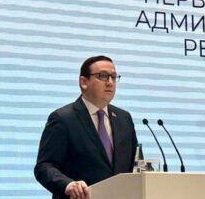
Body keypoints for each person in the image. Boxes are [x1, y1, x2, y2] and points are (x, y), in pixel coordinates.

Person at [35, 56, 138, 199]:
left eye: (114, 77)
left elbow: (132, 166)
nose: (110, 82)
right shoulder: (63, 119)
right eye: (103, 76)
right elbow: (44, 167)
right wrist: (68, 185)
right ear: (84, 82)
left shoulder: (124, 119)